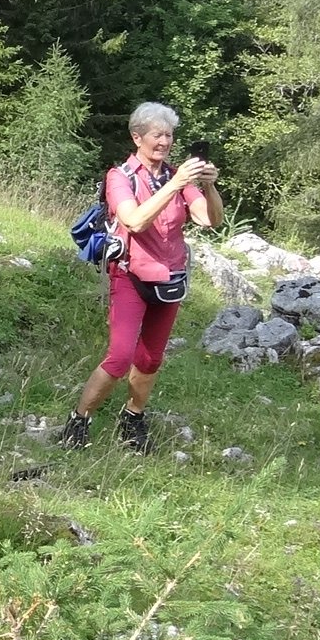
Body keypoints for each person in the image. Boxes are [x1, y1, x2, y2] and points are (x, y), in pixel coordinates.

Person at [53, 102, 219, 453]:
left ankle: (133, 418)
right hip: (130, 276)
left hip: (170, 279)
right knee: (119, 356)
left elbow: (209, 220)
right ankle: (79, 420)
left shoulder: (176, 176)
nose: (165, 142)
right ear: (137, 137)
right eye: (157, 135)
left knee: (151, 358)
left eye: (169, 135)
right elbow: (134, 221)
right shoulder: (120, 177)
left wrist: (209, 187)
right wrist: (175, 184)